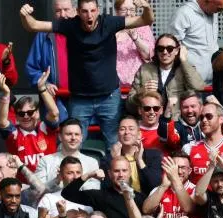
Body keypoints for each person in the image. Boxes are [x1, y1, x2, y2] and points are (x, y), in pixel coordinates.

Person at [19, 0, 154, 149]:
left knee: (115, 145)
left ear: (98, 10)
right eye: (84, 11)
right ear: (78, 12)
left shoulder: (109, 22)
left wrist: (147, 7)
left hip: (109, 96)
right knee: (73, 144)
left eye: (92, 11)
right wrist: (24, 14)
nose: (89, 15)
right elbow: (33, 25)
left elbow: (145, 20)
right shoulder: (70, 25)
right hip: (80, 98)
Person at [126, 34, 204, 117]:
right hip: (150, 121)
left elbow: (198, 87)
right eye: (161, 48)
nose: (165, 52)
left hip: (176, 122)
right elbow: (129, 106)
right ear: (156, 51)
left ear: (177, 51)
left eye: (170, 49)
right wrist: (141, 92)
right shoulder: (144, 69)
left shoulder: (185, 69)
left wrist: (184, 60)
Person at [168, 0, 223, 84]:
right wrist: (185, 68)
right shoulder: (184, 13)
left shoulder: (213, 12)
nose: (221, 12)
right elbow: (171, 45)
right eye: (219, 8)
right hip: (190, 82)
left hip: (213, 81)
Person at [24, 0, 73, 90]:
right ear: (53, 13)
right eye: (58, 11)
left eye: (66, 9)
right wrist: (45, 84)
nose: (62, 14)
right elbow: (31, 68)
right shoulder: (43, 35)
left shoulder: (83, 33)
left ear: (75, 10)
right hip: (53, 98)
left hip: (81, 99)